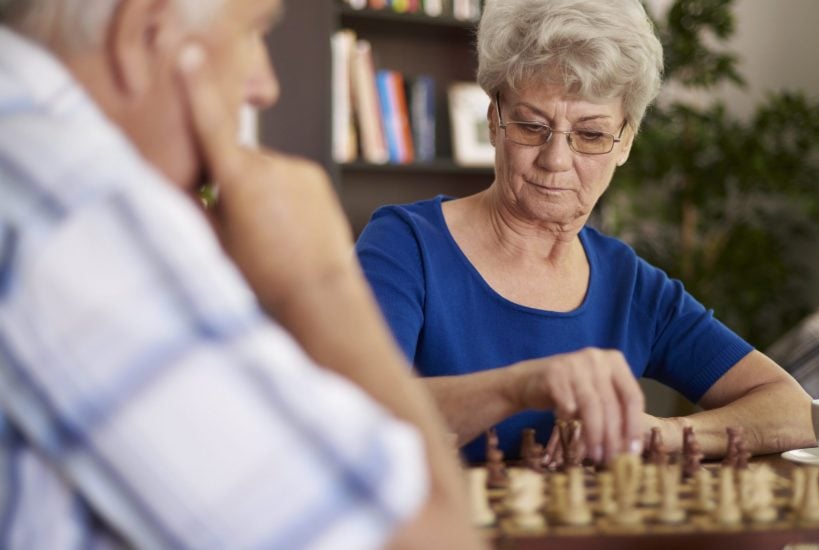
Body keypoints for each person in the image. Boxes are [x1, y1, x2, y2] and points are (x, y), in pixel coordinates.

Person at [0, 1, 484, 548]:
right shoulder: (83, 213)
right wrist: (320, 281)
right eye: (253, 33)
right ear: (146, 35)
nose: (265, 88)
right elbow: (431, 538)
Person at [356, 0, 816, 465]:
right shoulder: (405, 245)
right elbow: (354, 414)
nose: (556, 160)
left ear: (626, 143)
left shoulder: (630, 284)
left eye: (591, 135)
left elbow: (794, 411)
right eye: (532, 126)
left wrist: (663, 432)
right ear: (494, 120)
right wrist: (519, 387)